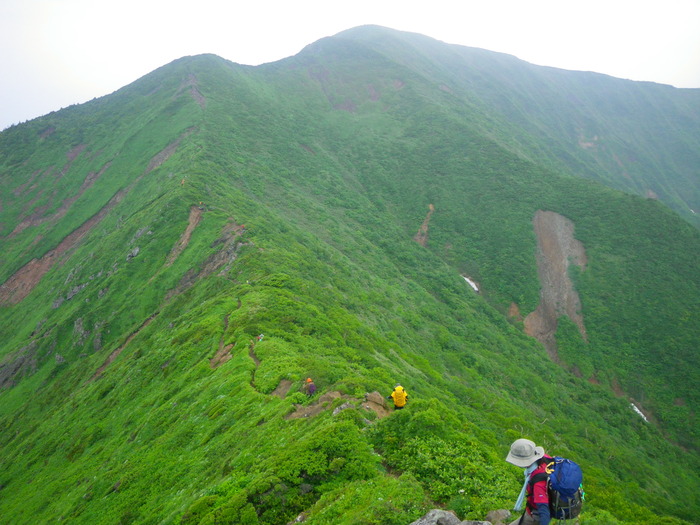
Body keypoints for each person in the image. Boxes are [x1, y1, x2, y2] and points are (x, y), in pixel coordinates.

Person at [505, 438, 552, 525]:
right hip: (531, 511)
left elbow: (544, 511)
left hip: (535, 516)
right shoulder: (545, 459)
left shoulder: (538, 481)